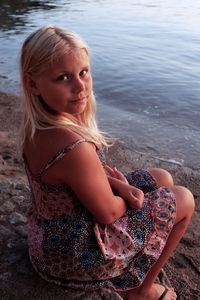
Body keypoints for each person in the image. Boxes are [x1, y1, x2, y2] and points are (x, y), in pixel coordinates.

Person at [19, 24, 195, 300]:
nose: (80, 87)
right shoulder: (73, 147)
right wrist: (131, 199)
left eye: (83, 73)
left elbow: (75, 179)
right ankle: (140, 289)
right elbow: (109, 214)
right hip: (73, 258)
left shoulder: (38, 127)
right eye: (64, 77)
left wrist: (120, 186)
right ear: (32, 83)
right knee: (183, 199)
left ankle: (139, 264)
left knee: (162, 177)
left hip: (50, 240)